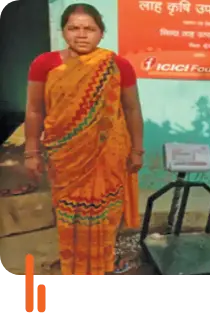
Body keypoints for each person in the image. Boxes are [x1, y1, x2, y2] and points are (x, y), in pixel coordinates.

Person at [24, 3, 143, 276]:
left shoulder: (117, 65)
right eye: (73, 28)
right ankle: (73, 262)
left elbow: (133, 108)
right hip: (65, 155)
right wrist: (31, 151)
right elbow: (34, 110)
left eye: (89, 28)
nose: (81, 34)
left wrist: (137, 150)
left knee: (107, 213)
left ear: (101, 33)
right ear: (63, 31)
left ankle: (104, 260)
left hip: (108, 154)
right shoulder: (45, 64)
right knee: (68, 212)